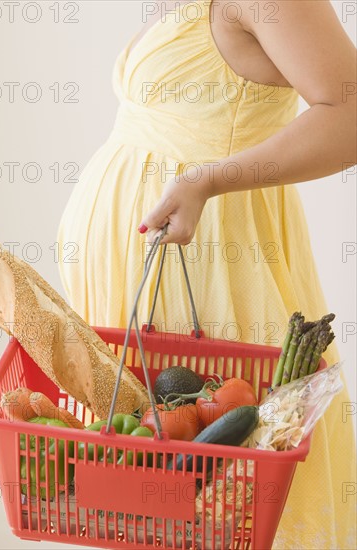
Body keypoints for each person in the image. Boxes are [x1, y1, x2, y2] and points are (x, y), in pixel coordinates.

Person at [57, 1, 356, 547]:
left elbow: (351, 115)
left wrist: (204, 182)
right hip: (147, 275)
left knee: (224, 492)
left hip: (212, 266)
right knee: (156, 492)